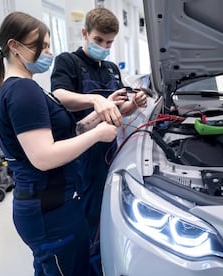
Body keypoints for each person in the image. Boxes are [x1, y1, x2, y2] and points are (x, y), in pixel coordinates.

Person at [0, 11, 120, 275]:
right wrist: (96, 135)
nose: (48, 52)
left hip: (53, 203)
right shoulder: (22, 91)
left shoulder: (27, 88)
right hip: (49, 209)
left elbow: (65, 132)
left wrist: (97, 117)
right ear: (14, 46)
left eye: (48, 45)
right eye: (42, 45)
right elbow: (44, 156)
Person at [50, 7, 147, 265]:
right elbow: (60, 96)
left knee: (108, 208)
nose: (104, 47)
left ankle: (104, 256)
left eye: (109, 42)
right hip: (81, 152)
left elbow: (118, 111)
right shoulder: (67, 62)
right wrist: (95, 100)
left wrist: (135, 104)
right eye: (98, 40)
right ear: (85, 33)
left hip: (108, 150)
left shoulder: (112, 69)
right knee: (89, 214)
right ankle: (92, 263)